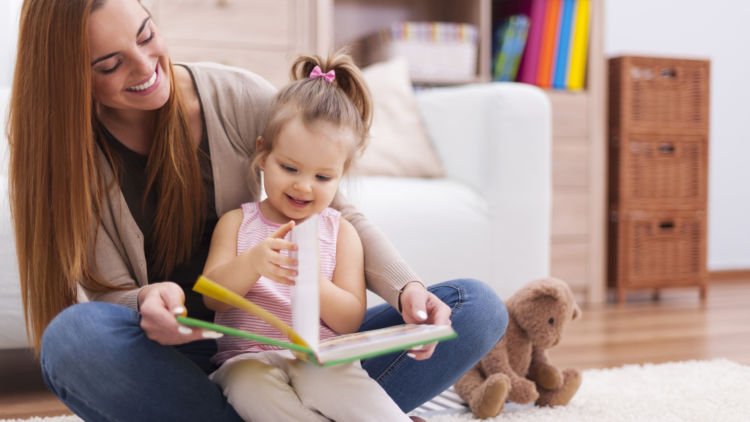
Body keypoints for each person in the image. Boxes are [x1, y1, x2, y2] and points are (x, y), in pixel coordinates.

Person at [7, 0, 508, 420]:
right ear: (70, 77)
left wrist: (408, 291)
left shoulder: (237, 96)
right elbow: (105, 295)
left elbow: (340, 215)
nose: (144, 67)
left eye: (145, 35)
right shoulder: (72, 161)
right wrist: (144, 303)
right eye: (110, 64)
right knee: (71, 341)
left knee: (475, 307)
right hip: (181, 360)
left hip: (305, 351)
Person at [202, 52, 412, 421]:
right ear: (262, 153)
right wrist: (252, 263)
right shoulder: (237, 222)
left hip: (321, 357)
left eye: (322, 177)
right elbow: (211, 298)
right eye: (289, 168)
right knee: (252, 390)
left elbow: (349, 320)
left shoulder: (342, 232)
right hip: (246, 358)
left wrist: (312, 282)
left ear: (341, 174)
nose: (303, 186)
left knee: (344, 385)